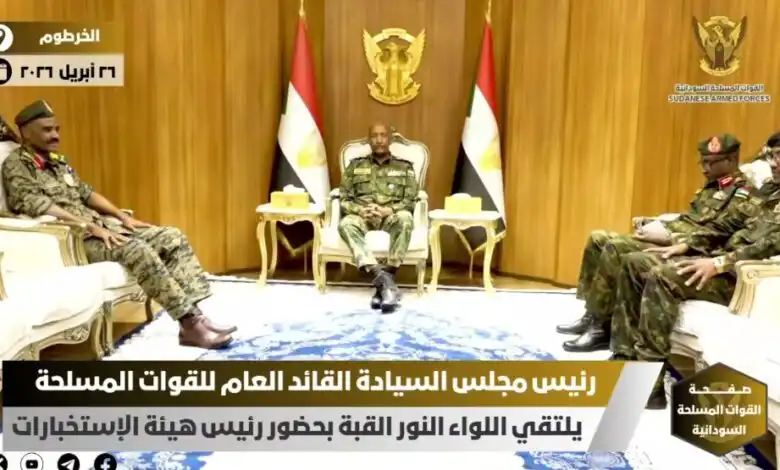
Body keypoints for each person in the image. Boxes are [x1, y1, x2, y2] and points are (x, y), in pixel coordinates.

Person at [1, 100, 236, 350]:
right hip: (74, 239)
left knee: (171, 237)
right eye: (47, 130)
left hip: (102, 227)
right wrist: (89, 226)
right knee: (137, 250)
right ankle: (191, 324)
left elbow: (86, 193)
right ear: (26, 133)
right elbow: (35, 204)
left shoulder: (58, 161)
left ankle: (195, 318)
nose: (55, 135)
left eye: (57, 129)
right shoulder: (16, 165)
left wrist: (122, 217)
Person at [612, 132, 780, 409]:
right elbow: (728, 226)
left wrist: (718, 263)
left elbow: (768, 245)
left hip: (742, 278)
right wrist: (687, 245)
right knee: (636, 262)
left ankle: (650, 386)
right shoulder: (769, 190)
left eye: (779, 157)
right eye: (772, 156)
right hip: (718, 260)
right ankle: (626, 357)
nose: (773, 163)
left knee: (663, 277)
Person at [557, 134, 753, 353]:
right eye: (703, 162)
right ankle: (592, 314)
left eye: (711, 162)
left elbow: (718, 232)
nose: (704, 168)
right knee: (598, 238)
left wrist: (672, 238)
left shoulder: (743, 192)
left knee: (615, 247)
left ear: (731, 159)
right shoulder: (711, 187)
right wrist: (657, 225)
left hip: (690, 248)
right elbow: (688, 219)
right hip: (674, 237)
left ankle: (601, 328)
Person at [338, 122, 419, 313]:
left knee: (406, 219)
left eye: (383, 135)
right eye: (375, 136)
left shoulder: (404, 167)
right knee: (346, 223)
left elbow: (410, 200)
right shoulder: (355, 165)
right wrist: (359, 210)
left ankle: (383, 285)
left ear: (389, 139)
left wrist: (388, 210)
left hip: (390, 216)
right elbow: (343, 198)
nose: (379, 140)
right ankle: (383, 281)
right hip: (364, 216)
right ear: (369, 140)